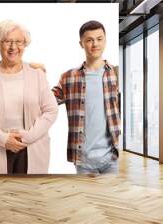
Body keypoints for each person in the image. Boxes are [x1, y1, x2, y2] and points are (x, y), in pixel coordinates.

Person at [0, 20, 58, 174]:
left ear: (25, 44)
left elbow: (51, 110)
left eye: (19, 42)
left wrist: (28, 137)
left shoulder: (37, 74)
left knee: (30, 195)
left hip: (32, 147)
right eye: (7, 41)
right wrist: (3, 139)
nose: (13, 47)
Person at [52, 20, 121, 175]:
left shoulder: (117, 74)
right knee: (88, 199)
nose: (95, 44)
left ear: (105, 40)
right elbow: (45, 100)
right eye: (89, 40)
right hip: (83, 160)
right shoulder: (68, 77)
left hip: (112, 158)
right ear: (81, 43)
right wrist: (34, 71)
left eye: (99, 39)